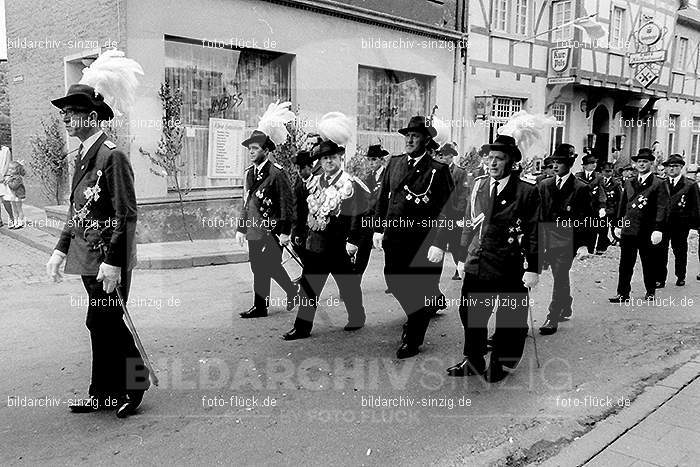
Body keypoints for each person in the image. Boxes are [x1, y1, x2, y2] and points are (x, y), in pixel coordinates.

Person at [45, 51, 149, 418]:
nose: (66, 118)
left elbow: (127, 215)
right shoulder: (83, 155)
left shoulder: (112, 156)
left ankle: (135, 386)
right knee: (99, 322)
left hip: (108, 260)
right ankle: (103, 392)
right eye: (64, 113)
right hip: (88, 258)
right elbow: (78, 210)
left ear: (91, 116)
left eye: (71, 112)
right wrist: (60, 250)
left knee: (107, 320)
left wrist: (113, 263)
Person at [449, 129, 541, 382]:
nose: (492, 163)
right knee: (471, 313)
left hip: (510, 262)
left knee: (510, 315)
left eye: (499, 158)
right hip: (478, 260)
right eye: (490, 157)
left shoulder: (526, 191)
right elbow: (469, 222)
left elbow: (534, 231)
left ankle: (503, 363)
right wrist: (460, 256)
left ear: (511, 162)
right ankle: (474, 360)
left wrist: (533, 267)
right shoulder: (478, 185)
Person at [373, 115, 454, 359]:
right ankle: (416, 314)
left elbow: (449, 209)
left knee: (419, 288)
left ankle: (414, 339)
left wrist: (440, 243)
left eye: (415, 136)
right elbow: (383, 198)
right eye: (407, 135)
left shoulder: (437, 170)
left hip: (423, 242)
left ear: (425, 140)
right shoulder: (395, 163)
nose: (409, 139)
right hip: (395, 239)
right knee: (395, 282)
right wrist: (378, 228)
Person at [283, 116, 369, 340]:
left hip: (340, 246)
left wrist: (353, 241)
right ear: (319, 161)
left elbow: (360, 215)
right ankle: (302, 327)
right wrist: (298, 234)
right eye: (324, 158)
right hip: (316, 244)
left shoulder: (351, 183)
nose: (328, 162)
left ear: (340, 157)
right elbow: (304, 211)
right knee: (309, 287)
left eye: (332, 157)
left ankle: (357, 316)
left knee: (348, 286)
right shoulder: (313, 182)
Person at [236, 111, 299, 319]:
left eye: (255, 148)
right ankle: (286, 292)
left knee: (269, 265)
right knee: (257, 267)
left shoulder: (276, 173)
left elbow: (287, 205)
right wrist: (241, 228)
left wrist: (285, 231)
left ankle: (262, 305)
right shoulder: (249, 173)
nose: (251, 152)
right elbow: (246, 202)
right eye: (250, 148)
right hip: (254, 231)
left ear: (266, 151)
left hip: (272, 231)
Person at [537, 144, 593, 335]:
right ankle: (566, 303)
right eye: (553, 162)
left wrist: (584, 245)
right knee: (558, 274)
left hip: (568, 240)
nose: (555, 166)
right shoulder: (544, 185)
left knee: (560, 274)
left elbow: (586, 218)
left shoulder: (580, 188)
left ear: (569, 163)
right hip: (547, 237)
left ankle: (552, 317)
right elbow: (540, 214)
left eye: (560, 162)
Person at [609, 148, 669, 302]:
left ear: (651, 163)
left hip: (647, 229)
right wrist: (617, 224)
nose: (641, 164)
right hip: (629, 228)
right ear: (635, 164)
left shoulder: (658, 183)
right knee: (625, 263)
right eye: (639, 162)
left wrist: (658, 229)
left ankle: (650, 291)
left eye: (645, 162)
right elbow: (623, 205)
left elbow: (662, 207)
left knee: (648, 262)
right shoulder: (629, 182)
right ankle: (623, 293)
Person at [656, 154, 700, 287]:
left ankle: (681, 275)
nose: (672, 169)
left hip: (681, 224)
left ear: (681, 167)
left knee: (679, 250)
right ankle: (660, 278)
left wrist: (694, 226)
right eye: (669, 166)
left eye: (675, 166)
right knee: (661, 251)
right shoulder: (662, 184)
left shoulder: (690, 185)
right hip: (664, 223)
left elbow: (696, 207)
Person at [435, 142, 468, 280]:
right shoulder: (436, 171)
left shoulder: (460, 172)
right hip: (440, 214)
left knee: (455, 244)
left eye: (446, 155)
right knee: (438, 243)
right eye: (441, 155)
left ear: (451, 157)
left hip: (454, 215)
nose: (443, 158)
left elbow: (463, 194)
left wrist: (457, 213)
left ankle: (459, 267)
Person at [353, 144, 388, 278]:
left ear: (381, 160)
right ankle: (355, 281)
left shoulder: (387, 176)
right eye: (369, 160)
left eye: (374, 160)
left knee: (390, 253)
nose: (371, 163)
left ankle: (393, 280)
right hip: (368, 221)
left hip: (383, 220)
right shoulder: (368, 177)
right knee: (362, 251)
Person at [576, 154, 607, 253]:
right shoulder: (578, 176)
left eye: (594, 163)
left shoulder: (599, 177)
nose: (593, 165)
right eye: (591, 163)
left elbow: (602, 192)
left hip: (594, 207)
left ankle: (590, 248)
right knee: (580, 228)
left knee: (593, 229)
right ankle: (579, 247)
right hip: (581, 207)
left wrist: (602, 206)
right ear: (584, 165)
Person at [291, 150, 314, 268]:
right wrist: (295, 231)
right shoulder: (298, 181)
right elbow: (296, 206)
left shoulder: (318, 181)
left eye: (302, 168)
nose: (299, 171)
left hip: (315, 225)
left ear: (310, 167)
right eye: (297, 168)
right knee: (296, 245)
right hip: (301, 223)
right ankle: (308, 270)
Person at [598, 162, 622, 253]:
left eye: (610, 171)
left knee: (613, 229)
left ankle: (613, 241)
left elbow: (620, 198)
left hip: (612, 209)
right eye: (606, 171)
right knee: (602, 229)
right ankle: (601, 247)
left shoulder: (616, 183)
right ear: (602, 171)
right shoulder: (598, 181)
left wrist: (619, 212)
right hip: (601, 209)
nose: (608, 173)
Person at [3, 160, 26, 229]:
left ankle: (21, 222)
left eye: (12, 169)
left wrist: (8, 182)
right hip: (12, 196)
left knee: (19, 209)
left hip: (17, 196)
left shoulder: (18, 178)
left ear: (17, 170)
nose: (10, 170)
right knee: (14, 209)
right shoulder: (11, 177)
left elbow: (13, 186)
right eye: (9, 168)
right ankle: (15, 222)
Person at [0, 145, 15, 228]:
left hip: (4, 177)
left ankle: (12, 218)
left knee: (5, 200)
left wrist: (2, 175)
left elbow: (8, 163)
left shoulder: (6, 150)